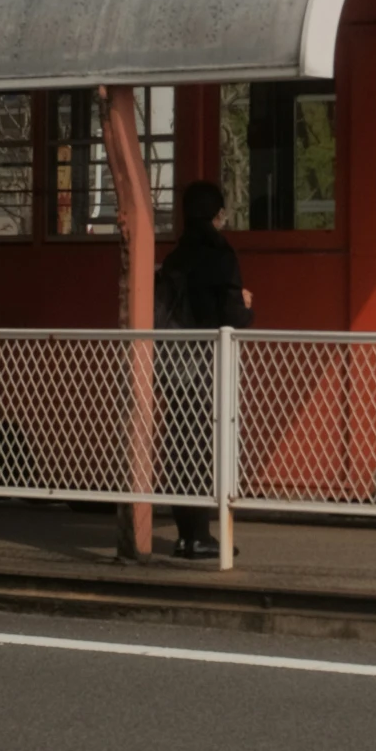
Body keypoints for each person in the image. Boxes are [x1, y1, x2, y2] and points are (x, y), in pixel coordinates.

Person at [159, 178, 253, 561]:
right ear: (216, 215)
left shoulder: (176, 256)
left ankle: (186, 535)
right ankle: (201, 537)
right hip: (206, 361)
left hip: (175, 359)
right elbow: (231, 313)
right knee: (205, 445)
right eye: (221, 212)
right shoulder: (221, 255)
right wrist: (247, 306)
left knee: (180, 442)